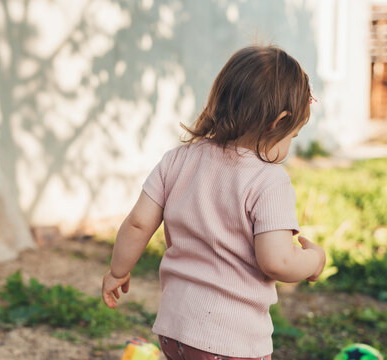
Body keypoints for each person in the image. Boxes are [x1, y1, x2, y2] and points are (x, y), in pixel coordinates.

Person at [102, 45, 326, 360]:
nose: (289, 146)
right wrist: (314, 261)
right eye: (293, 135)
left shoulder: (177, 159)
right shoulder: (269, 180)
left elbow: (138, 222)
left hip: (174, 332)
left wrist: (117, 271)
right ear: (279, 122)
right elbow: (279, 261)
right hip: (231, 343)